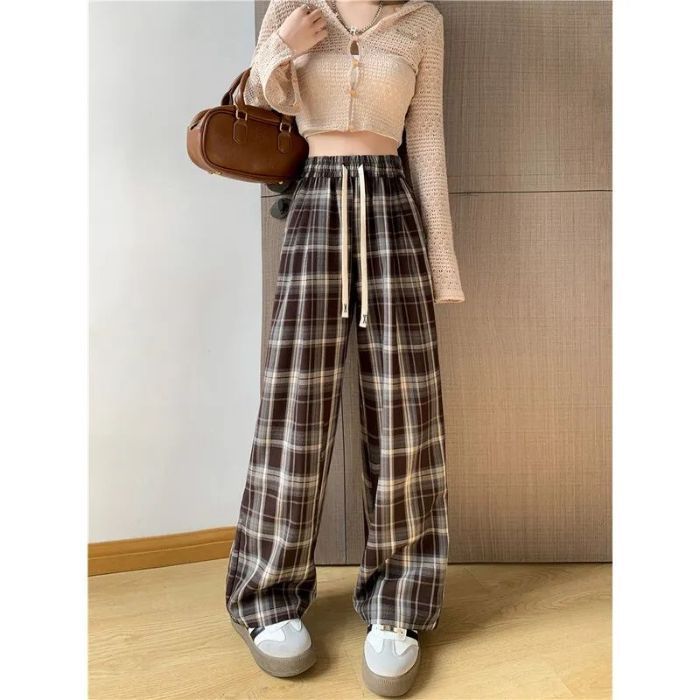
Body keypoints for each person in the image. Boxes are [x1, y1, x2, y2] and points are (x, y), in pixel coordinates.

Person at [224, 0, 465, 695]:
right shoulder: (292, 8)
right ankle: (267, 595)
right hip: (314, 208)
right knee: (294, 411)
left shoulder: (422, 23)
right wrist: (283, 45)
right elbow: (259, 100)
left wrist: (443, 264)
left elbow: (426, 141)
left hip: (393, 212)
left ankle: (399, 603)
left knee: (405, 415)